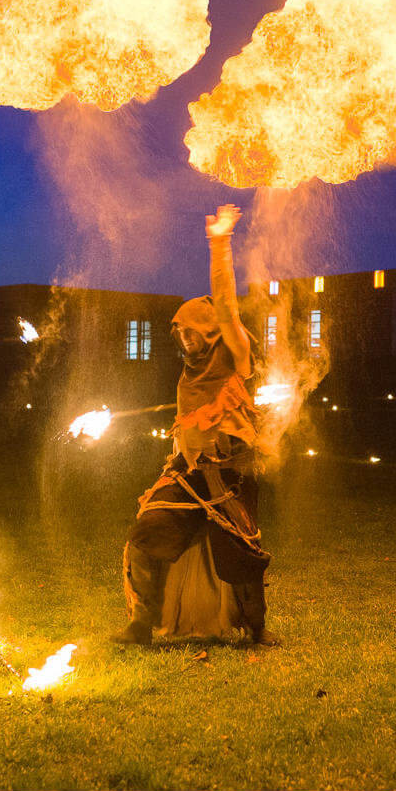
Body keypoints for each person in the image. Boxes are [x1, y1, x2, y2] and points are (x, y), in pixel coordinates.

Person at [114, 204, 277, 647]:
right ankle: (141, 624)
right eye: (178, 333)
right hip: (187, 474)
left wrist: (220, 242)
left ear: (210, 330)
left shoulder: (235, 357)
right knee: (147, 535)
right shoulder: (188, 373)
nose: (185, 339)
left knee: (240, 551)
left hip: (228, 474)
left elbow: (226, 306)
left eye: (192, 331)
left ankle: (256, 629)